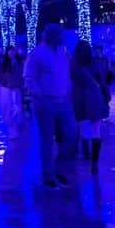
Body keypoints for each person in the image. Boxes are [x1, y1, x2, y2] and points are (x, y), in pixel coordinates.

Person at [24, 24, 76, 188]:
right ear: (53, 36)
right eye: (60, 35)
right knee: (47, 140)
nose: (63, 37)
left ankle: (58, 169)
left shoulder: (62, 52)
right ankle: (48, 175)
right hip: (46, 102)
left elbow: (66, 73)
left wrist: (68, 90)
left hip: (63, 101)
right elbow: (29, 77)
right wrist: (39, 95)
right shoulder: (37, 53)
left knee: (71, 135)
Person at [71, 41, 110, 174]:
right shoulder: (95, 63)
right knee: (96, 129)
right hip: (95, 97)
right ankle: (94, 161)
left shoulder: (74, 65)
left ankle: (84, 152)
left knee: (83, 128)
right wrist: (106, 95)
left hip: (79, 98)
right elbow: (102, 80)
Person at [0, 46, 24, 140]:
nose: (11, 53)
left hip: (16, 89)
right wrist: (4, 82)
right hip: (6, 89)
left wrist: (20, 84)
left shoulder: (19, 63)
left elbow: (22, 75)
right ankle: (12, 129)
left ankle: (15, 126)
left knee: (17, 108)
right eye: (9, 52)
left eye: (13, 51)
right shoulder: (4, 64)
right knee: (7, 108)